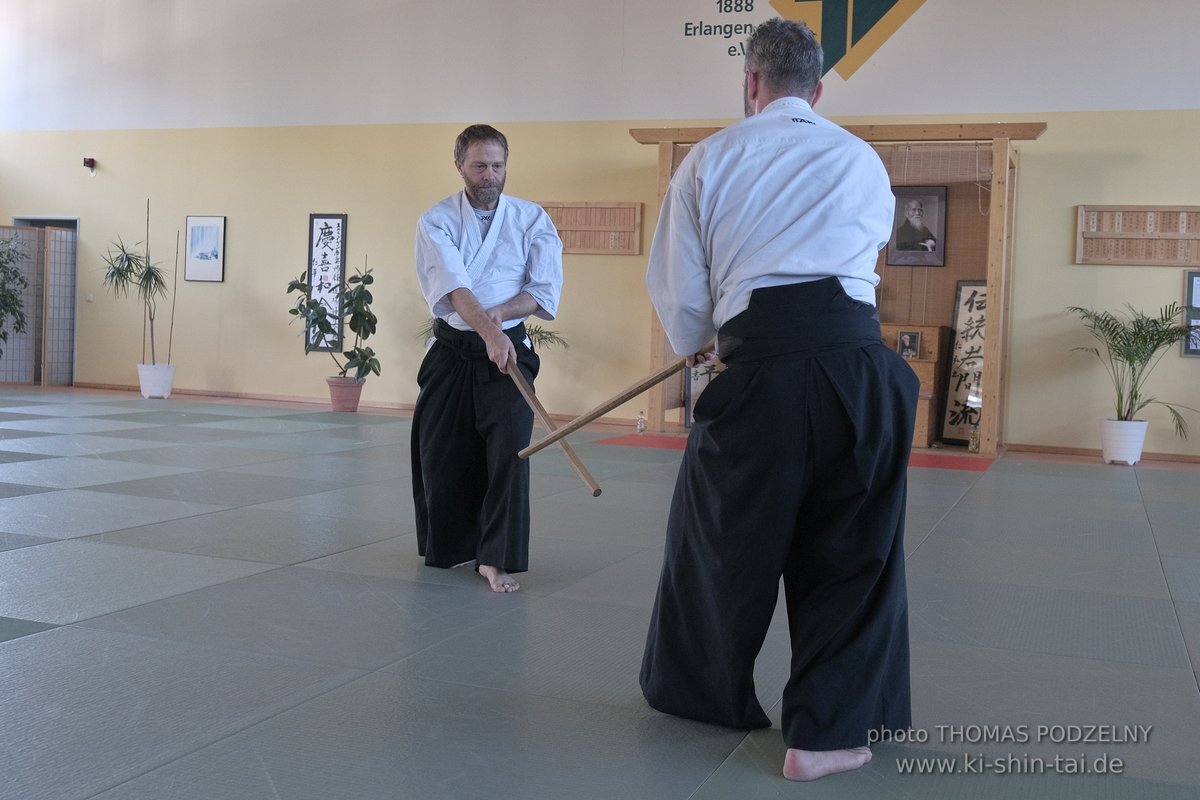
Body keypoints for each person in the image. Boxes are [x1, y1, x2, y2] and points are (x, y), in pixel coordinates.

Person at [640, 18, 919, 782]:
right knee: (854, 549)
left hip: (759, 369)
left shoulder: (709, 159)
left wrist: (702, 337)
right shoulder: (860, 158)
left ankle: (704, 695)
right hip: (859, 367)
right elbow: (861, 256)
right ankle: (825, 735)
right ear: (818, 89)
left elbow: (679, 289)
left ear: (750, 84)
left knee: (723, 540)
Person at [411, 124, 563, 593]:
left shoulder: (531, 218)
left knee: (510, 452)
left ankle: (495, 558)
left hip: (509, 349)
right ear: (459, 165)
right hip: (456, 349)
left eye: (498, 165)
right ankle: (456, 546)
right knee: (441, 451)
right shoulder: (436, 220)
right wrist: (485, 330)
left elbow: (541, 290)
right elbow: (453, 285)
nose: (489, 175)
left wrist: (500, 318)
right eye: (479, 166)